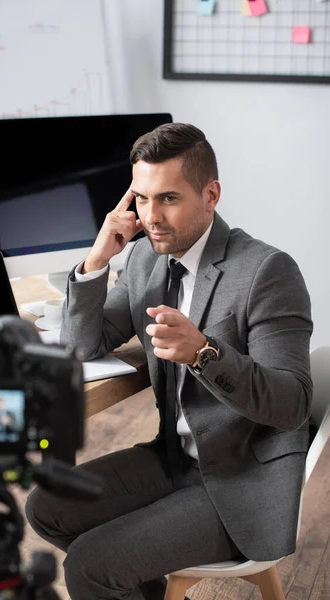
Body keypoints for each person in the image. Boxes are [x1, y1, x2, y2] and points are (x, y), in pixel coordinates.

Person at [26, 123, 313, 600]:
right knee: (47, 506)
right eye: (141, 198)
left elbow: (292, 405)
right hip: (175, 459)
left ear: (211, 194)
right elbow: (82, 347)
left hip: (240, 482)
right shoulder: (144, 258)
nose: (151, 216)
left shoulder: (267, 271)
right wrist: (97, 260)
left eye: (169, 199)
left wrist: (204, 353)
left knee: (90, 566)